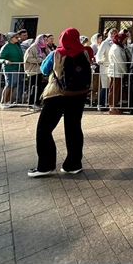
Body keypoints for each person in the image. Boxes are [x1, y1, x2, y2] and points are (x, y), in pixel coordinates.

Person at [29, 28, 92, 178]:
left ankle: (45, 165)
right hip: (78, 95)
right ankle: (73, 164)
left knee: (44, 130)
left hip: (57, 94)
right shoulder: (84, 52)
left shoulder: (56, 53)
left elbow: (44, 70)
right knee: (74, 128)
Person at [0, 32, 25, 109]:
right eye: (15, 37)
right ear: (10, 38)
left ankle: (8, 101)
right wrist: (5, 61)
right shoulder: (6, 46)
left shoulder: (17, 46)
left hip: (17, 68)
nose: (17, 38)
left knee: (14, 85)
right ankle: (2, 102)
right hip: (9, 68)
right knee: (9, 84)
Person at [24, 34, 49, 109]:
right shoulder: (32, 48)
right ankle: (31, 104)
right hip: (33, 71)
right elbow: (28, 58)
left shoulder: (44, 48)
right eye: (44, 40)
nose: (45, 41)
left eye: (46, 40)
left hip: (40, 71)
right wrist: (39, 60)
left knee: (39, 87)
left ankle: (37, 102)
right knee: (33, 87)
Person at [107, 32, 129, 114]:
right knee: (114, 90)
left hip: (117, 72)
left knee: (116, 90)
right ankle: (112, 108)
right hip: (116, 72)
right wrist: (125, 71)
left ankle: (114, 106)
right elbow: (120, 62)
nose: (125, 42)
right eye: (124, 40)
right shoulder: (116, 48)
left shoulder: (118, 47)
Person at [96, 28, 117, 110]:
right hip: (105, 66)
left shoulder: (115, 42)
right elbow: (99, 54)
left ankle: (108, 103)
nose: (114, 35)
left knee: (111, 86)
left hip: (113, 67)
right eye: (113, 33)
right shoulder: (105, 43)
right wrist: (99, 61)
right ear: (110, 34)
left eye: (115, 33)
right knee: (105, 86)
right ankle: (101, 104)